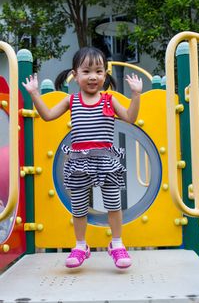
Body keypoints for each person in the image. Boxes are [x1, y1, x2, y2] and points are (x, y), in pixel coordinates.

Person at [22, 46, 142, 269]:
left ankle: (117, 244)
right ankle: (80, 246)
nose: (93, 76)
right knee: (78, 207)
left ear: (105, 75)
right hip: (79, 163)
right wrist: (34, 94)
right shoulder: (72, 101)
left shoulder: (109, 100)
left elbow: (130, 118)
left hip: (106, 161)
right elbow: (47, 116)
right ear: (75, 75)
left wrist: (136, 95)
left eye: (98, 71)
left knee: (113, 205)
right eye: (86, 71)